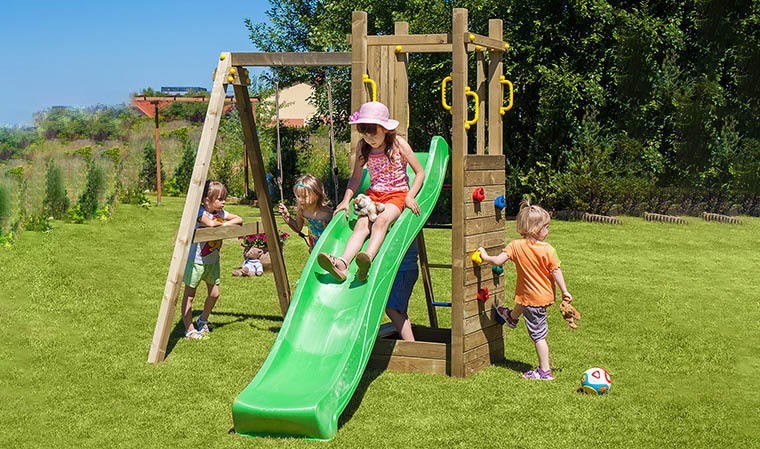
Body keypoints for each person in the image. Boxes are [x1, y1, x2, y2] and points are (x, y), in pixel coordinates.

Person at [317, 101, 424, 282]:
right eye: (365, 135)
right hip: (374, 195)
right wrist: (345, 201)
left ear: (385, 129)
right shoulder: (363, 147)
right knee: (360, 225)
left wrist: (409, 196)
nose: (370, 139)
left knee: (381, 222)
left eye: (373, 134)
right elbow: (356, 178)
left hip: (396, 195)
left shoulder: (398, 144)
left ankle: (367, 258)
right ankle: (342, 265)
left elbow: (420, 172)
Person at [477, 200, 573, 380]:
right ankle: (512, 318)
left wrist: (484, 256)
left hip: (531, 299)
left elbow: (497, 261)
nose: (548, 230)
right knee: (526, 308)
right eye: (546, 227)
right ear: (535, 228)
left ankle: (544, 372)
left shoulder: (515, 245)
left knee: (538, 336)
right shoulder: (548, 250)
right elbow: (556, 271)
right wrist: (564, 291)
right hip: (539, 297)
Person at [181, 180, 242, 340]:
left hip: (213, 261)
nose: (223, 202)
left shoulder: (220, 214)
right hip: (196, 261)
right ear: (206, 199)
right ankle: (189, 328)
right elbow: (210, 224)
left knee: (214, 294)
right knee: (189, 296)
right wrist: (223, 225)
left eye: (224, 199)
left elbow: (239, 219)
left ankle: (202, 320)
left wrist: (223, 223)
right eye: (219, 199)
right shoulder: (200, 212)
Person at [278, 174, 333, 251]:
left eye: (304, 196)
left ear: (317, 194)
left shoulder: (328, 213)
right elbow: (298, 228)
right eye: (298, 196)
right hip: (314, 247)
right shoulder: (302, 211)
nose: (300, 200)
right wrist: (288, 217)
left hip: (329, 246)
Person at [386, 241, 419, 341]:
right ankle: (410, 343)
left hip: (403, 270)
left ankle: (411, 346)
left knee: (392, 309)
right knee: (400, 311)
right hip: (404, 270)